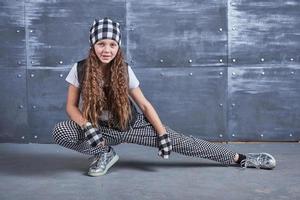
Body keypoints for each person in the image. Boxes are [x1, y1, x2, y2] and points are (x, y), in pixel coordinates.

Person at [52, 17, 276, 177]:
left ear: (118, 47)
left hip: (132, 125)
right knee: (61, 131)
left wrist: (162, 134)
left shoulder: (123, 70)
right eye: (101, 44)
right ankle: (105, 154)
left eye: (112, 44)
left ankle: (241, 158)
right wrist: (87, 126)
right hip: (100, 130)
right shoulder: (80, 69)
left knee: (183, 142)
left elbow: (144, 105)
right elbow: (71, 106)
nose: (106, 50)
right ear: (93, 45)